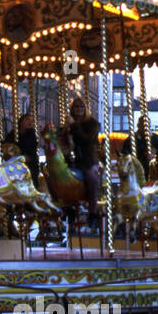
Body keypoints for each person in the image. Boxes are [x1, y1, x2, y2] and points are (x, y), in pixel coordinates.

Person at [63, 98, 101, 230]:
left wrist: (73, 125)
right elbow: (62, 139)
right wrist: (65, 129)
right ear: (72, 109)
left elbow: (87, 140)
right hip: (70, 160)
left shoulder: (93, 124)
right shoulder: (70, 124)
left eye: (81, 106)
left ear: (85, 109)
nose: (79, 109)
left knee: (92, 179)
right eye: (76, 107)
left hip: (87, 159)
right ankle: (67, 207)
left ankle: (92, 213)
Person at [16, 113, 40, 185]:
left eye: (32, 121)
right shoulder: (14, 134)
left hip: (30, 163)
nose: (30, 122)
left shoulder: (32, 134)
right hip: (18, 163)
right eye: (27, 120)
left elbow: (32, 148)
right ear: (21, 122)